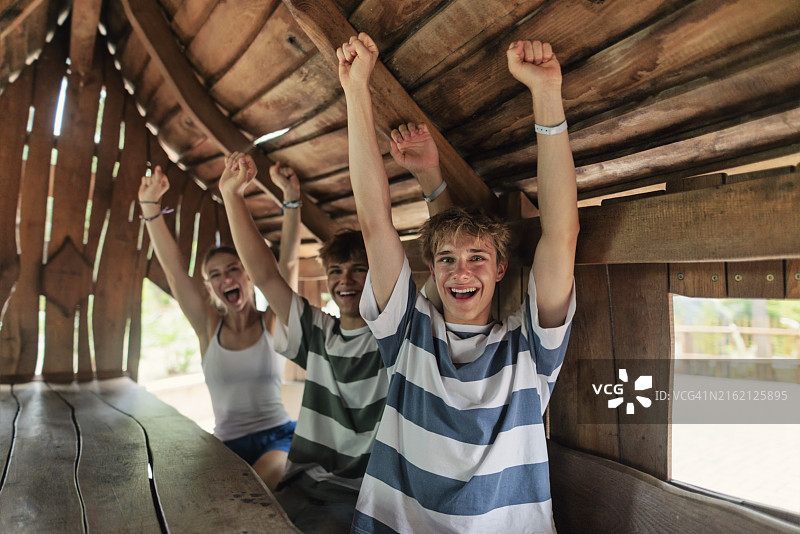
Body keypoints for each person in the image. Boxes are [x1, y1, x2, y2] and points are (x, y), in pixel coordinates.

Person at [337, 33, 579, 533]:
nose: (461, 270)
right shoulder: (409, 333)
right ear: (431, 271)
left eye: (476, 257)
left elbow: (562, 232)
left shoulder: (530, 350)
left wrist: (546, 93)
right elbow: (374, 223)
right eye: (446, 259)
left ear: (500, 269)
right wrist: (356, 89)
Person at [137, 162, 300, 491]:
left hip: (278, 439)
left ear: (249, 275)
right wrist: (150, 206)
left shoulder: (272, 321)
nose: (226, 278)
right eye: (215, 275)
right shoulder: (208, 327)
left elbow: (288, 264)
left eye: (233, 269)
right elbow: (174, 272)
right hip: (225, 443)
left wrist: (292, 198)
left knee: (254, 486)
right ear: (210, 288)